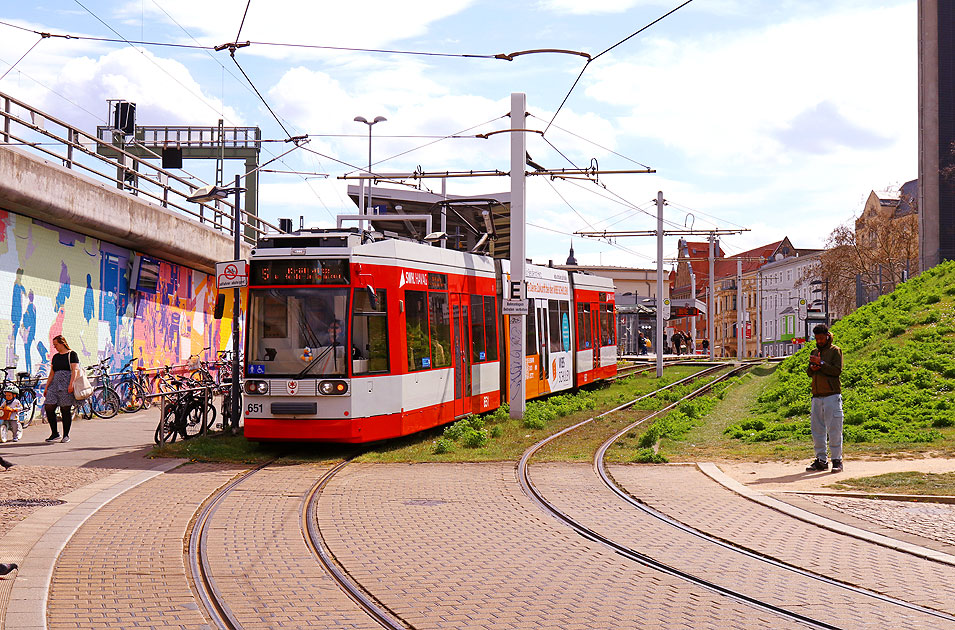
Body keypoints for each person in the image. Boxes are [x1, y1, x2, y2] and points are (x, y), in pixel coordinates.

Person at [805, 324, 844, 473]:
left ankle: (837, 460)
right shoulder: (814, 351)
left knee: (834, 429)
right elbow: (809, 372)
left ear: (827, 336)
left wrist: (821, 364)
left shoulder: (835, 351)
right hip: (816, 396)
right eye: (817, 339)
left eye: (821, 338)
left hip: (831, 395)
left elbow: (836, 371)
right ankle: (821, 460)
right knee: (817, 430)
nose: (819, 341)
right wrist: (812, 368)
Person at [43, 335, 80, 444]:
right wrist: (47, 386)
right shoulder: (56, 357)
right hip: (54, 385)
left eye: (56, 345)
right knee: (49, 406)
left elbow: (75, 370)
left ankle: (66, 435)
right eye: (54, 345)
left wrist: (71, 384)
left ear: (62, 343)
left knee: (65, 409)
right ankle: (55, 433)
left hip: (66, 384)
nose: (55, 347)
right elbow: (52, 373)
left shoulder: (72, 354)